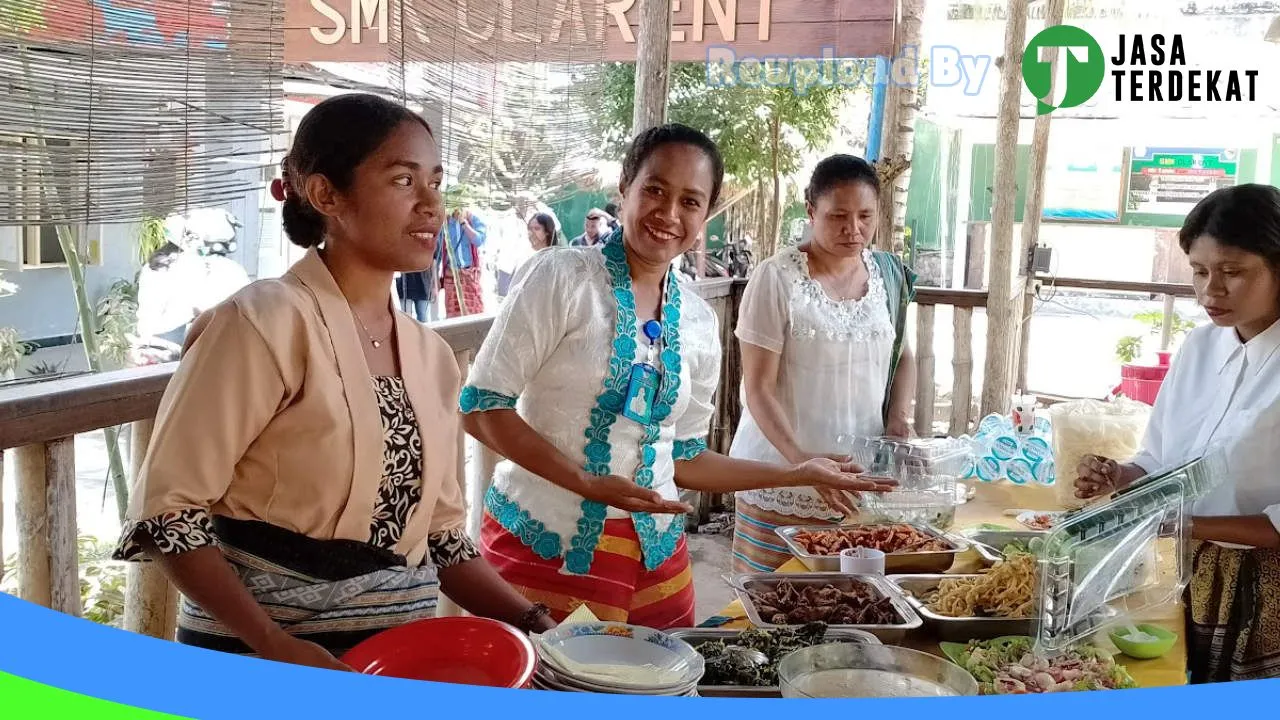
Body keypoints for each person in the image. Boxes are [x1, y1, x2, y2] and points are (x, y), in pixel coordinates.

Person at [112, 94, 555, 671]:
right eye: (403, 180)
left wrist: (538, 624)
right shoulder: (261, 323)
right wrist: (272, 644)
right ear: (326, 195)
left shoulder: (431, 356)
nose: (432, 204)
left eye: (436, 182)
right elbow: (168, 513)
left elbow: (442, 536)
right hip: (262, 661)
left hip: (400, 659)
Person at [458, 125, 893, 628]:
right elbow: (481, 406)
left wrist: (795, 473)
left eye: (690, 201)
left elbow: (684, 456)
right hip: (547, 545)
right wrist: (585, 481)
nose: (668, 214)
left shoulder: (697, 319)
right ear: (625, 188)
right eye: (655, 191)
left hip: (659, 558)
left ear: (705, 214)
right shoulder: (561, 277)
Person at [1074, 184, 1280, 684]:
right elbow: (1161, 460)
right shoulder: (1200, 348)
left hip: (1267, 589)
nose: (1211, 291)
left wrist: (1184, 523)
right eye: (1199, 271)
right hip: (1191, 574)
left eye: (1233, 273)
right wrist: (1120, 476)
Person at [728, 154, 917, 573]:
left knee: (849, 610)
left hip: (857, 479)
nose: (854, 229)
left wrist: (898, 422)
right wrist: (802, 464)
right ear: (811, 212)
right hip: (781, 477)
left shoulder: (888, 276)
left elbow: (903, 356)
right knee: (775, 611)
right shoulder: (776, 278)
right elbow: (758, 388)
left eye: (866, 216)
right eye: (838, 216)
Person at [441, 207, 487, 317]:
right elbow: (437, 251)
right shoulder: (445, 222)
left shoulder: (473, 220)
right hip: (451, 276)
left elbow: (478, 240)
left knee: (474, 312)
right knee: (453, 314)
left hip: (469, 275)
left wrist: (464, 224)